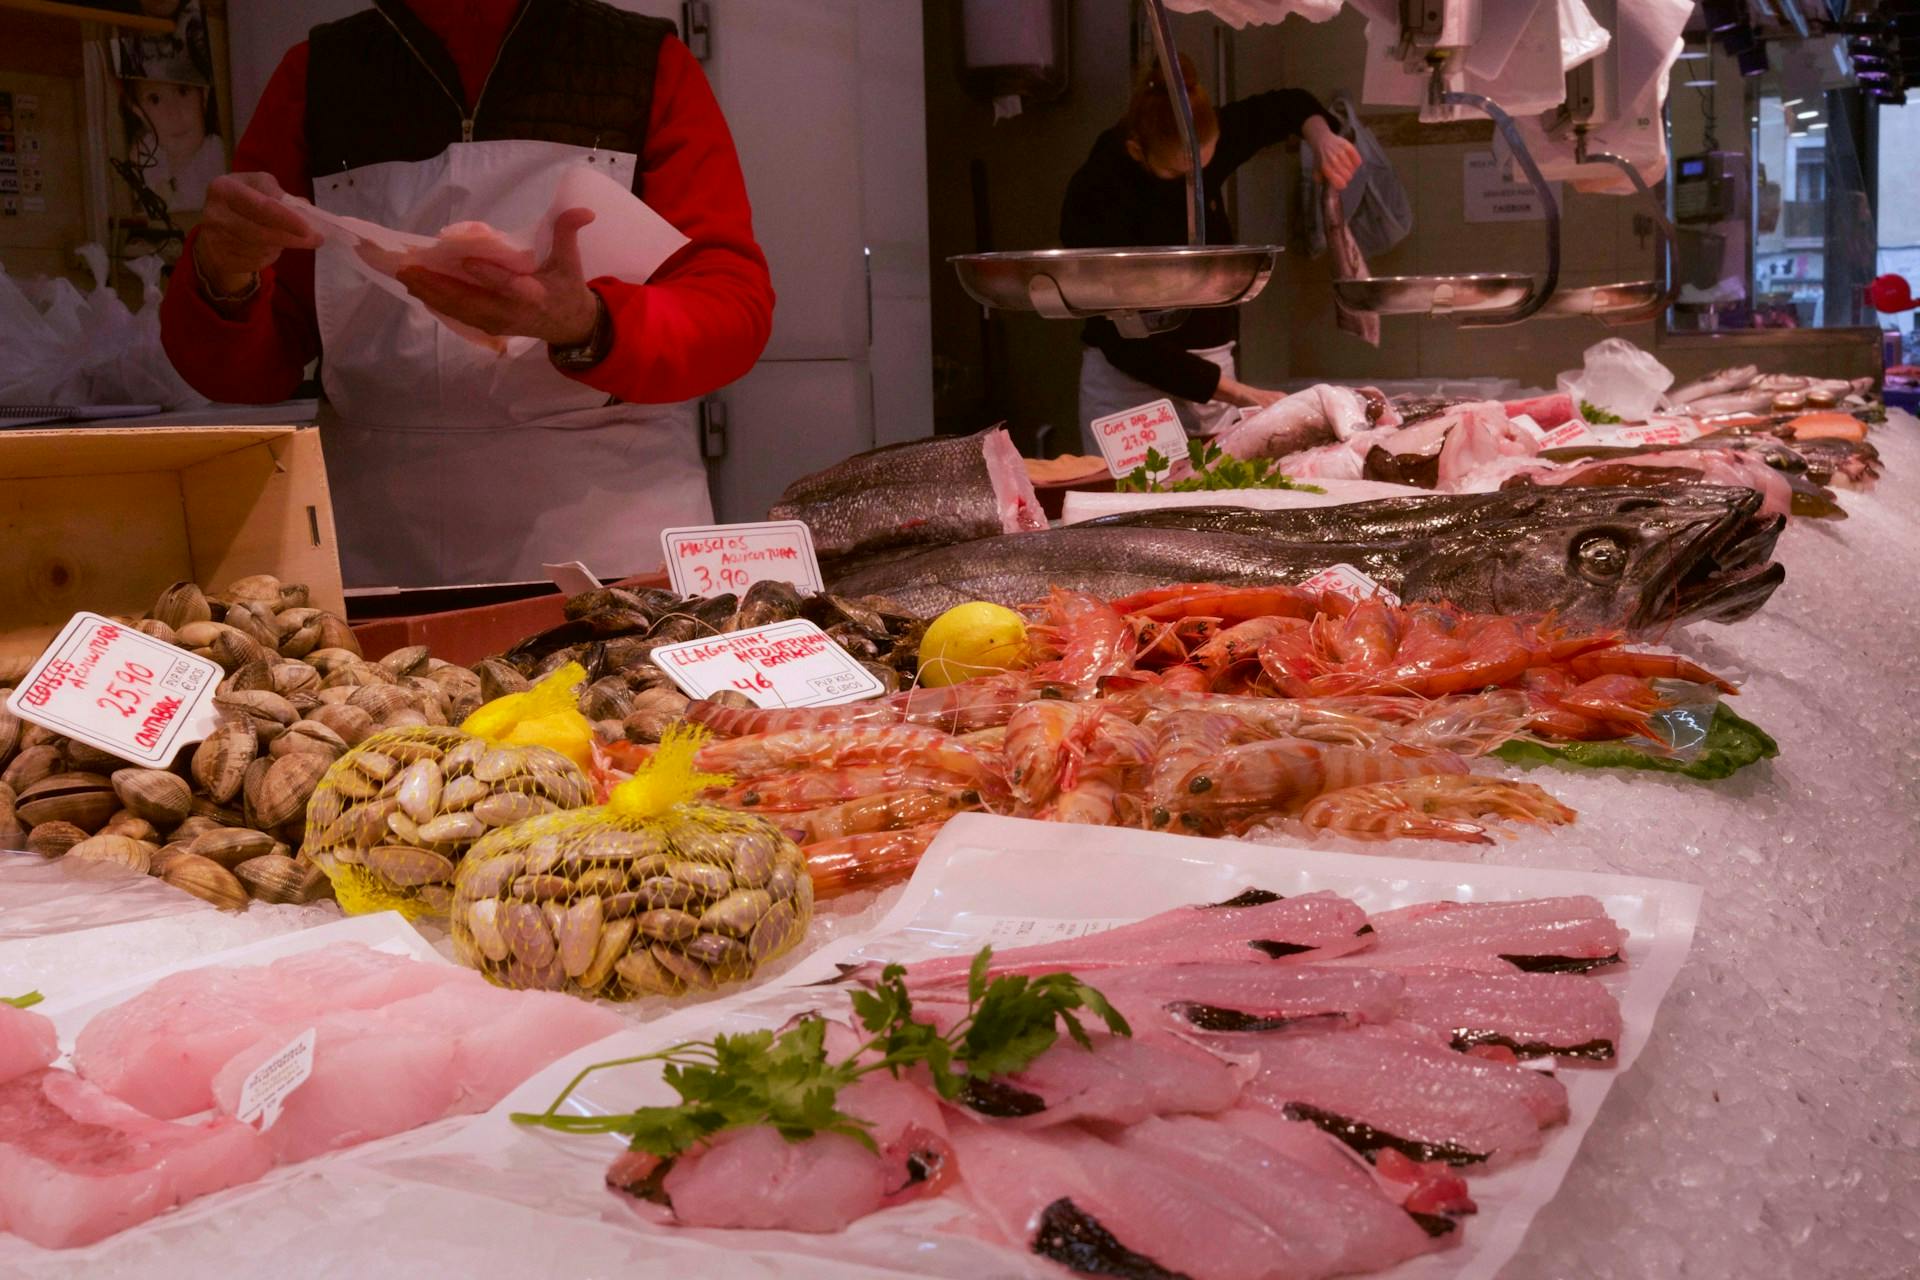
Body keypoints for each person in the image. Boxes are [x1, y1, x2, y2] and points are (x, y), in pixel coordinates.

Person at [161, 0, 774, 589]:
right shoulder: (315, 74)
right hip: (374, 543)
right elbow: (245, 373)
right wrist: (222, 273)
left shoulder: (648, 64)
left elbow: (731, 307)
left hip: (609, 538)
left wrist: (589, 322)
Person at [1061, 55, 1360, 447]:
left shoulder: (1203, 143)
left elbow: (1291, 105)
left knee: (1215, 497)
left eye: (1204, 164)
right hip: (1129, 387)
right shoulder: (1098, 192)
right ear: (1137, 151)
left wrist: (1323, 138)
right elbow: (1122, 340)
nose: (1193, 181)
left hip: (1213, 368)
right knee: (1136, 502)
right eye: (1177, 174)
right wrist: (1241, 394)